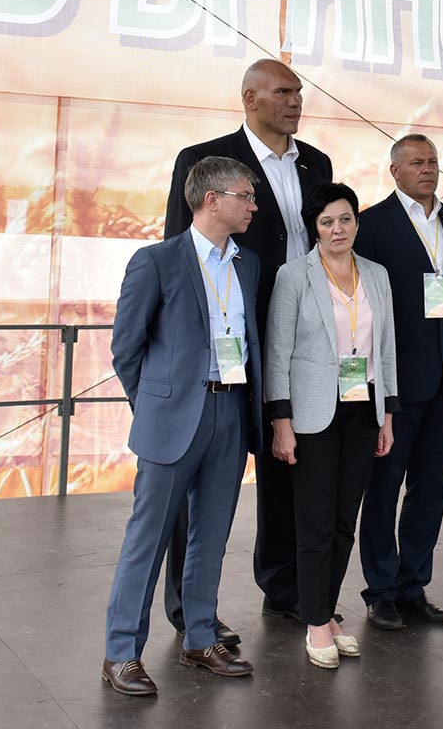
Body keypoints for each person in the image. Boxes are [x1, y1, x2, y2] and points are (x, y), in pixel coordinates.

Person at [160, 59, 334, 643]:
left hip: (301, 339)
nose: (296, 101)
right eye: (283, 91)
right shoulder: (203, 159)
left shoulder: (317, 163)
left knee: (290, 464)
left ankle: (285, 589)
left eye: (299, 92)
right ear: (250, 98)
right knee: (203, 480)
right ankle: (190, 611)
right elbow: (178, 256)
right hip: (233, 342)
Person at [102, 157, 265, 694]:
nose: (254, 205)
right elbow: (126, 349)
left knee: (211, 536)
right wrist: (154, 405)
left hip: (231, 412)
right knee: (147, 539)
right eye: (245, 195)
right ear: (212, 199)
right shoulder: (156, 261)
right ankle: (121, 652)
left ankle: (200, 636)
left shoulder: (248, 263)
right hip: (173, 418)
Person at [353, 135, 443, 632]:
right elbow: (361, 305)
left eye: (432, 161)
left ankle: (413, 586)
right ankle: (381, 592)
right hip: (396, 379)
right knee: (384, 489)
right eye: (416, 162)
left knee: (430, 490)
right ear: (395, 171)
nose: (427, 169)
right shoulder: (371, 224)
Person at [264, 184, 399, 669]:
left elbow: (386, 349)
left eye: (345, 219)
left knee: (345, 521)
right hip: (312, 414)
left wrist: (387, 415)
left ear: (356, 223)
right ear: (314, 229)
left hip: (364, 409)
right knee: (316, 522)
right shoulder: (293, 275)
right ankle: (316, 621)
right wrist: (281, 422)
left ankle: (325, 610)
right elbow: (277, 352)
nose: (337, 229)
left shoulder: (377, 275)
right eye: (327, 222)